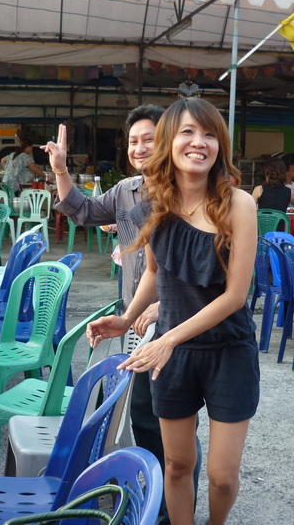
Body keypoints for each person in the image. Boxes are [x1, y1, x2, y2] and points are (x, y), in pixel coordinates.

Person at [86, 97, 259, 525]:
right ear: (169, 142)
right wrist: (127, 319)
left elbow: (235, 297)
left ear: (220, 146)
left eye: (209, 134)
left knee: (221, 476)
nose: (199, 142)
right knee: (177, 465)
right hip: (174, 355)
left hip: (228, 351)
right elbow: (154, 270)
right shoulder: (154, 202)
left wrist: (167, 338)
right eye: (187, 132)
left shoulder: (239, 204)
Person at [49, 104, 201, 523]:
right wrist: (61, 170)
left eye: (149, 139)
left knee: (175, 425)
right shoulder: (127, 191)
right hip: (136, 318)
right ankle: (155, 500)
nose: (140, 148)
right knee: (144, 417)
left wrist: (162, 305)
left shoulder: (188, 192)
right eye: (134, 141)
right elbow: (81, 210)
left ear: (168, 141)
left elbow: (200, 270)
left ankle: (176, 509)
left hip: (177, 323)